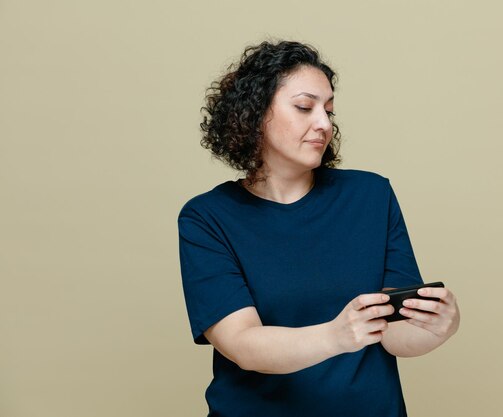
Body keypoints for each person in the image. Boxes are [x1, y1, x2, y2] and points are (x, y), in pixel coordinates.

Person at [177, 40, 460, 417]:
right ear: (255, 114)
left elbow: (393, 332)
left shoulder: (372, 195)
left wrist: (437, 329)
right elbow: (242, 344)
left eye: (328, 110)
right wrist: (336, 335)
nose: (324, 124)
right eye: (304, 107)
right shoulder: (208, 217)